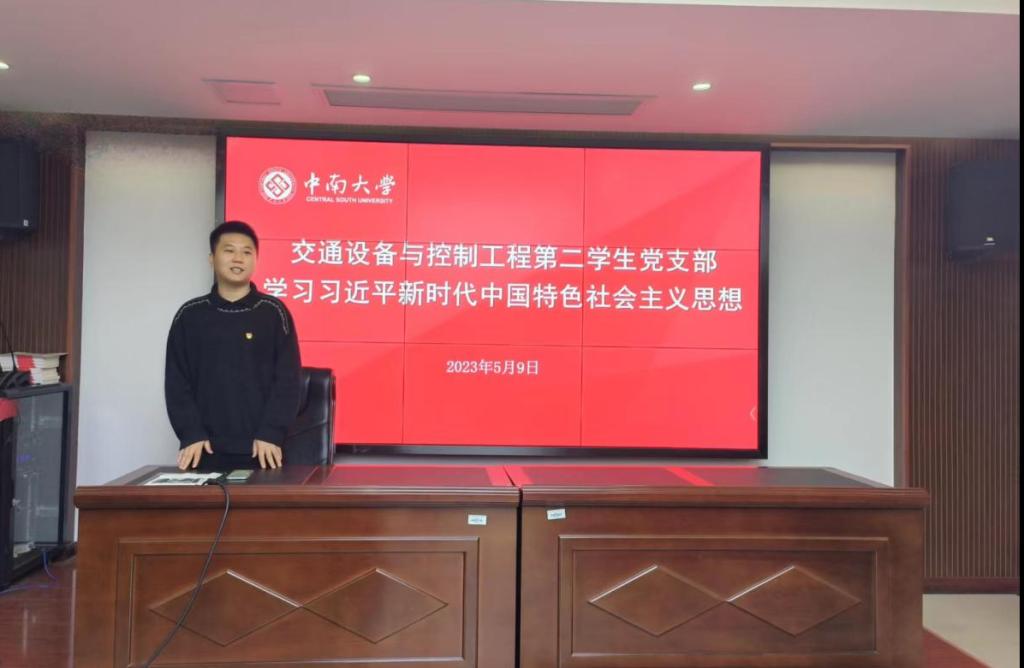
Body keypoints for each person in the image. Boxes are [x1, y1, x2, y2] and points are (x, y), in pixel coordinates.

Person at [165, 220, 301, 471]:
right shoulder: (190, 315)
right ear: (211, 258)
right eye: (229, 250)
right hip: (204, 449)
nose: (238, 258)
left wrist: (271, 432)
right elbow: (177, 382)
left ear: (256, 260)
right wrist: (191, 433)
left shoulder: (273, 312)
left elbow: (288, 380)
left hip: (263, 449)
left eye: (247, 252)